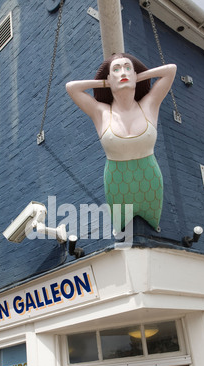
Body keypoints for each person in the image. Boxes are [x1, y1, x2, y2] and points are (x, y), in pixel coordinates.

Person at [66, 53, 177, 234]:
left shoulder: (149, 104)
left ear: (135, 74)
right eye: (116, 70)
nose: (122, 73)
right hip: (116, 181)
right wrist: (104, 82)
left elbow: (170, 70)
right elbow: (71, 88)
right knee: (120, 230)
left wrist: (137, 77)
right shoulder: (100, 112)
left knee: (154, 225)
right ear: (108, 78)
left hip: (150, 178)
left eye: (127, 68)